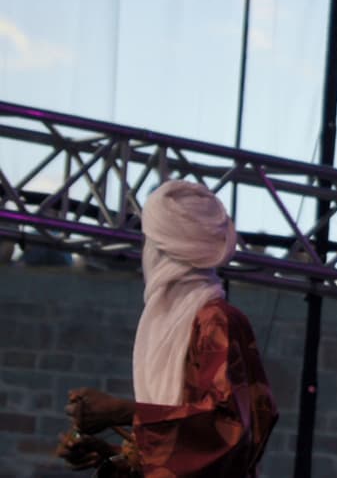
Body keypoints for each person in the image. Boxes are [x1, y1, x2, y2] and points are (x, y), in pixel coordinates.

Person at [57, 179, 277, 477]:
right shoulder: (175, 322)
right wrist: (114, 456)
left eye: (150, 241)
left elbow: (229, 428)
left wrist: (121, 411)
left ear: (165, 249)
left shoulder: (215, 320)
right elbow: (186, 452)